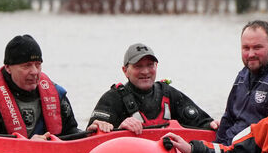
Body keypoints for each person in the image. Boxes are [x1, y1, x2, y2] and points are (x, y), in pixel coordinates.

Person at [0, 34, 80, 138]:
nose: (34, 71)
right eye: (26, 66)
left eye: (38, 65)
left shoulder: (56, 93)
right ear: (8, 67)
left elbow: (71, 134)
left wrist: (90, 133)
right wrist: (28, 146)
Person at [87, 43, 218, 135]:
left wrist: (214, 125)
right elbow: (91, 136)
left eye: (150, 65)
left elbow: (203, 124)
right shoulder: (112, 98)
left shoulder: (169, 94)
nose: (145, 71)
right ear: (125, 71)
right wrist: (119, 130)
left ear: (156, 66)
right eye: (138, 66)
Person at [216, 20, 268, 144]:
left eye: (257, 47)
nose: (251, 54)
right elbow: (228, 118)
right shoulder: (242, 75)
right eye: (246, 48)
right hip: (231, 149)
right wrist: (216, 148)